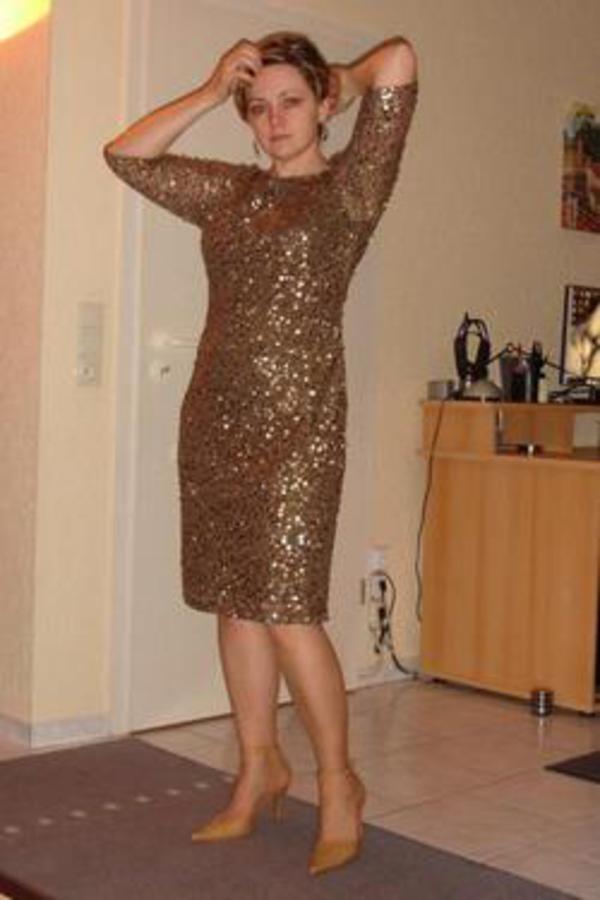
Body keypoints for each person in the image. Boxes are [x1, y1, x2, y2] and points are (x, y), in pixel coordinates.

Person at [103, 30, 418, 876]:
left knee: (288, 611)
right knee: (235, 604)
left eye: (291, 101)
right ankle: (256, 771)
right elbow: (125, 155)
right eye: (258, 106)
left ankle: (340, 783)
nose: (274, 119)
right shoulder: (230, 192)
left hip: (300, 431)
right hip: (214, 420)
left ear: (322, 105)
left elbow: (399, 59)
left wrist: (340, 76)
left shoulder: (352, 189)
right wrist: (212, 89)